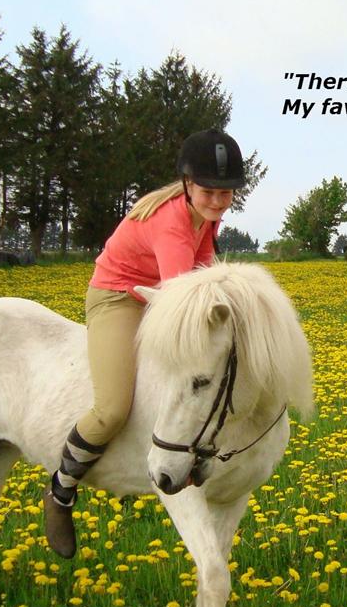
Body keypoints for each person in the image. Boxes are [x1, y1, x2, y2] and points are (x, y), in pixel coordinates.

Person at [42, 128, 246, 558]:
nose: (218, 200)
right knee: (113, 406)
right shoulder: (170, 222)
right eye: (209, 191)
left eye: (227, 193)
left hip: (154, 296)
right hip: (117, 298)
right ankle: (61, 491)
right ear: (188, 185)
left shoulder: (205, 216)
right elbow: (181, 295)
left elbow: (205, 273)